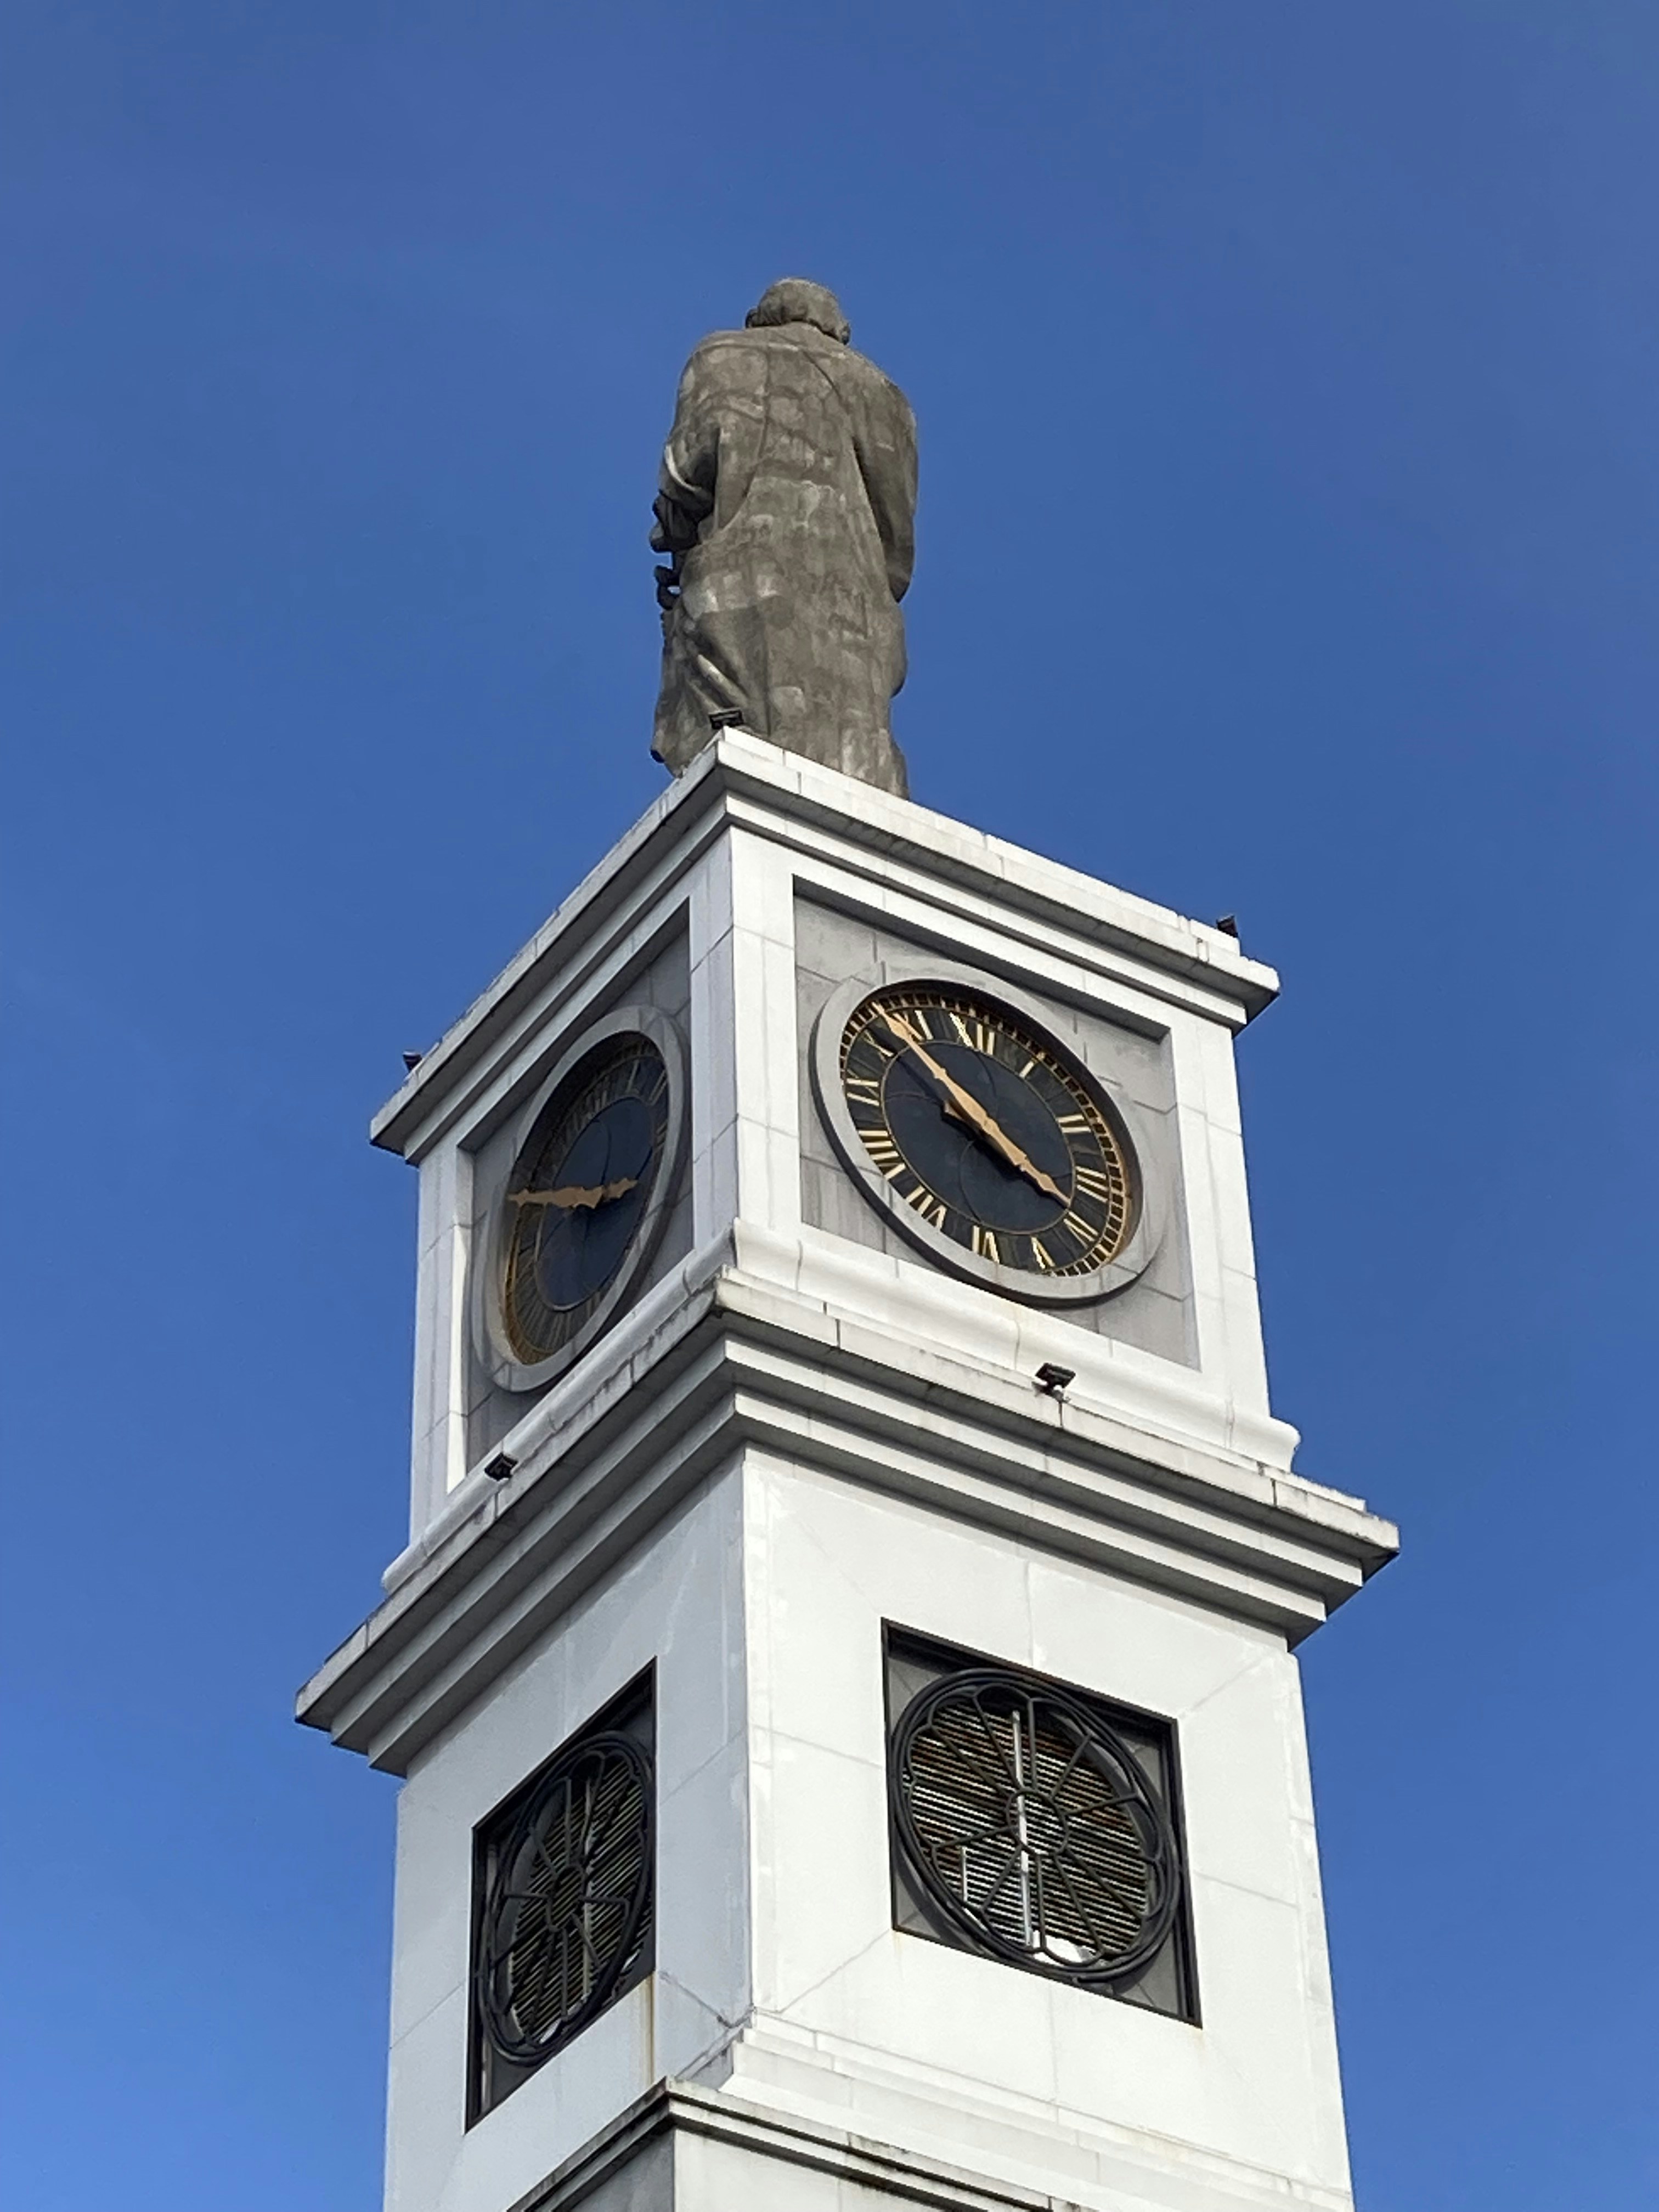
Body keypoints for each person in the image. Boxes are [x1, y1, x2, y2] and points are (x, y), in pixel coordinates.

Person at [650, 279, 917, 797]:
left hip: (738, 580)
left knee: (743, 745)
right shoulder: (884, 396)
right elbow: (897, 535)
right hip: (854, 604)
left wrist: (672, 531)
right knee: (857, 754)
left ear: (760, 318)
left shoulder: (721, 356)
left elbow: (684, 472)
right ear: (840, 331)